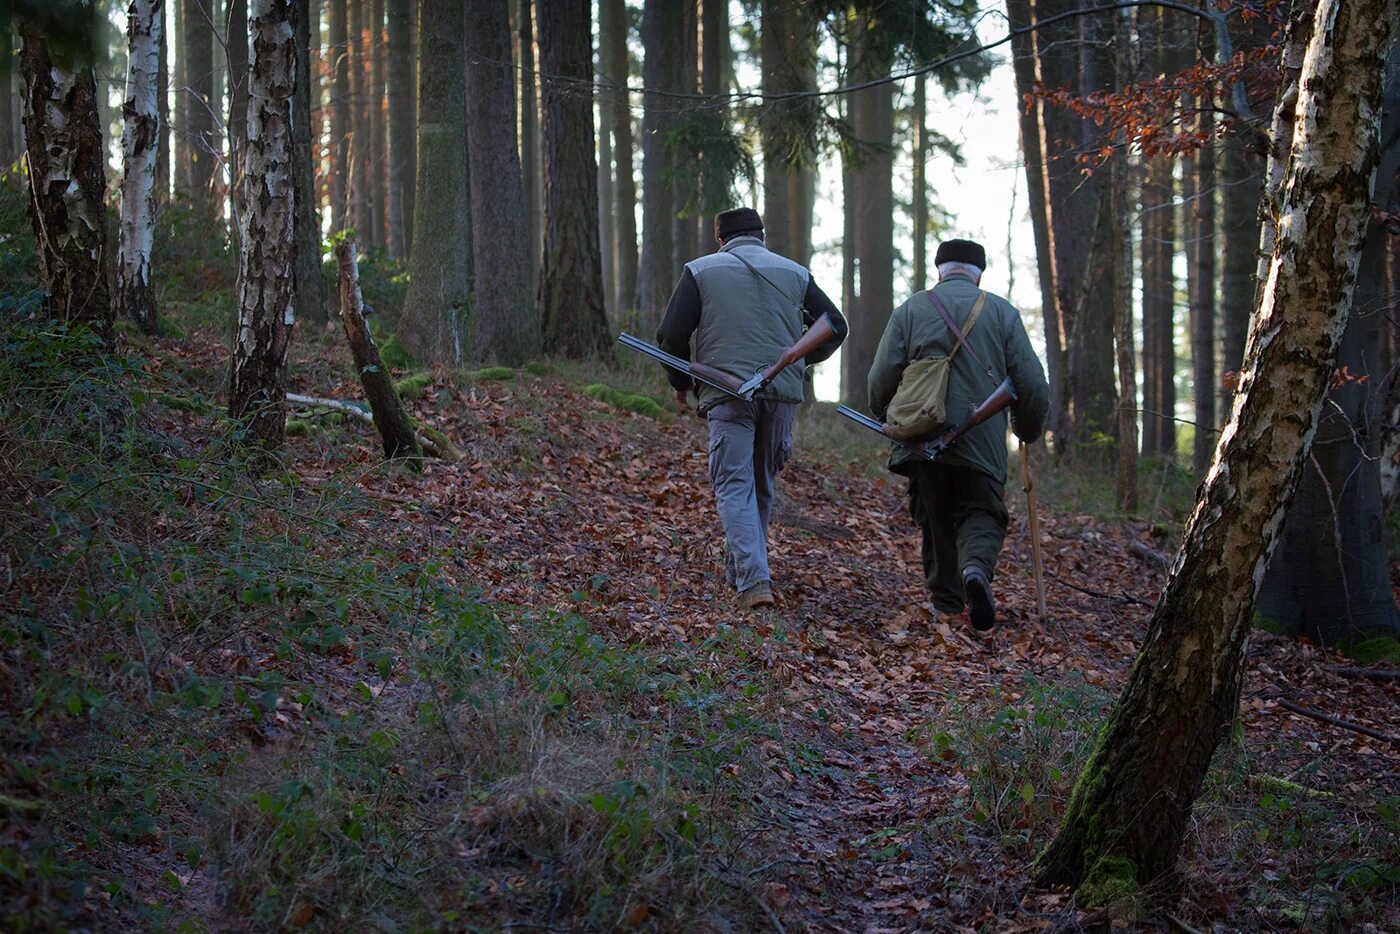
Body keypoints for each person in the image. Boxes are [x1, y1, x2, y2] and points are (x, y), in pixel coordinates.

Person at [657, 208, 849, 610]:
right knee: (760, 485)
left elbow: (671, 335)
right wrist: (797, 362)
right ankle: (743, 570)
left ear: (721, 240)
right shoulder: (795, 273)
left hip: (725, 393)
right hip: (780, 395)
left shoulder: (701, 270)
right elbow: (836, 326)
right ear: (761, 235)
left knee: (732, 484)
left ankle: (754, 581)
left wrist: (682, 384)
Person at [867, 239, 1048, 630]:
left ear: (940, 270)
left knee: (936, 521)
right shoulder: (1001, 313)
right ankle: (975, 571)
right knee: (982, 512)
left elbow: (881, 378)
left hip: (920, 436)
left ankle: (947, 607)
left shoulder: (912, 309)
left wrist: (890, 419)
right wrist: (1026, 428)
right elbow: (1031, 382)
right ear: (979, 272)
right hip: (981, 441)